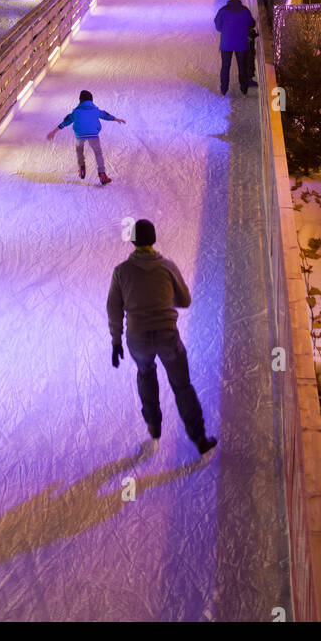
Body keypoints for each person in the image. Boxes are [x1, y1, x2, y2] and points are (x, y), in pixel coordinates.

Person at [107, 218, 217, 455]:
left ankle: (154, 432)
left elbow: (114, 308)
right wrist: (165, 300)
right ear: (153, 240)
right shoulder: (168, 266)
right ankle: (200, 440)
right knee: (182, 386)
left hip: (138, 338)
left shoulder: (121, 272)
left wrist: (116, 341)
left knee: (146, 375)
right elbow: (185, 300)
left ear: (133, 240)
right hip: (167, 335)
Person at [47, 88, 125, 185]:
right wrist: (116, 119)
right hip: (93, 134)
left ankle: (82, 168)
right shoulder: (95, 110)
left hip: (80, 135)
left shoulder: (76, 112)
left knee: (79, 150)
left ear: (80, 101)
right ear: (91, 100)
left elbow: (66, 121)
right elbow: (105, 115)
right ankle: (102, 174)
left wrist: (54, 132)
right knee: (98, 153)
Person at [214, 0, 255, 96]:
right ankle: (244, 88)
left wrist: (225, 31)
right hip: (241, 43)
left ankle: (224, 89)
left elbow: (217, 25)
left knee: (225, 66)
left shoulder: (223, 10)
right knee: (242, 66)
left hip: (226, 43)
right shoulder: (245, 10)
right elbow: (251, 23)